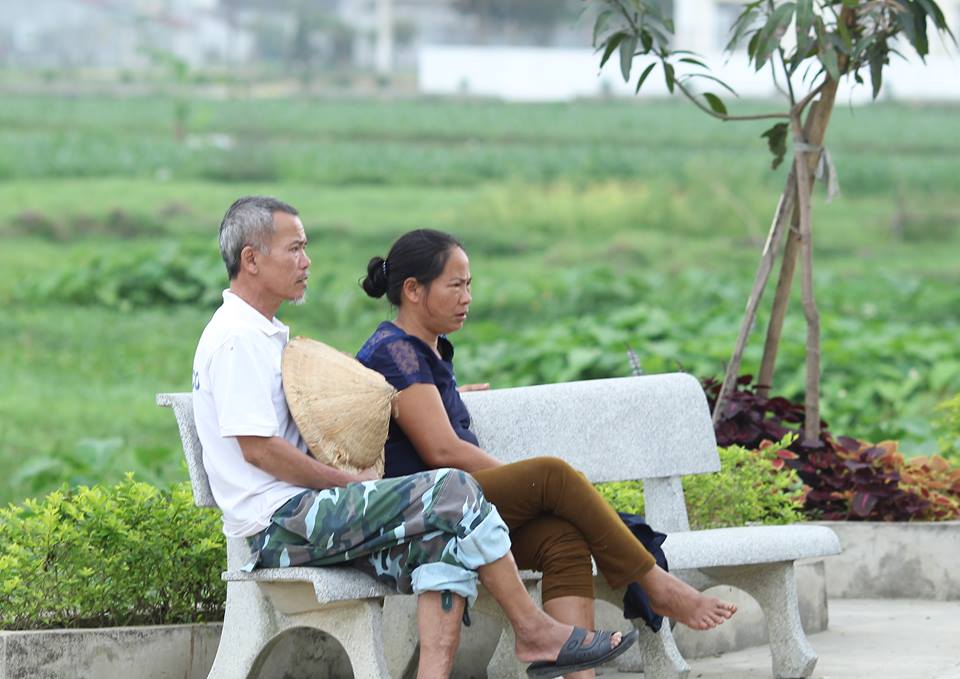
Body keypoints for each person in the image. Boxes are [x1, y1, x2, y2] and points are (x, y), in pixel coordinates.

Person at [191, 197, 637, 679]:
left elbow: (322, 407)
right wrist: (342, 483)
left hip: (306, 516)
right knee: (454, 489)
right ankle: (535, 632)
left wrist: (426, 395)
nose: (307, 261)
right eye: (294, 248)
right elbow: (258, 450)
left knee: (444, 541)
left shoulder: (262, 332)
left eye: (306, 248)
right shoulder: (236, 338)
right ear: (251, 259)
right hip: (280, 523)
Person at [357, 228, 738, 678]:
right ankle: (655, 582)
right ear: (413, 290)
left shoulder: (427, 349)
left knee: (563, 539)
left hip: (458, 513)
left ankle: (577, 671)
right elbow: (442, 449)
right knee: (552, 477)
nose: (467, 297)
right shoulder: (394, 351)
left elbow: (432, 418)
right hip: (422, 513)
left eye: (470, 284)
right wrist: (528, 483)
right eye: (455, 285)